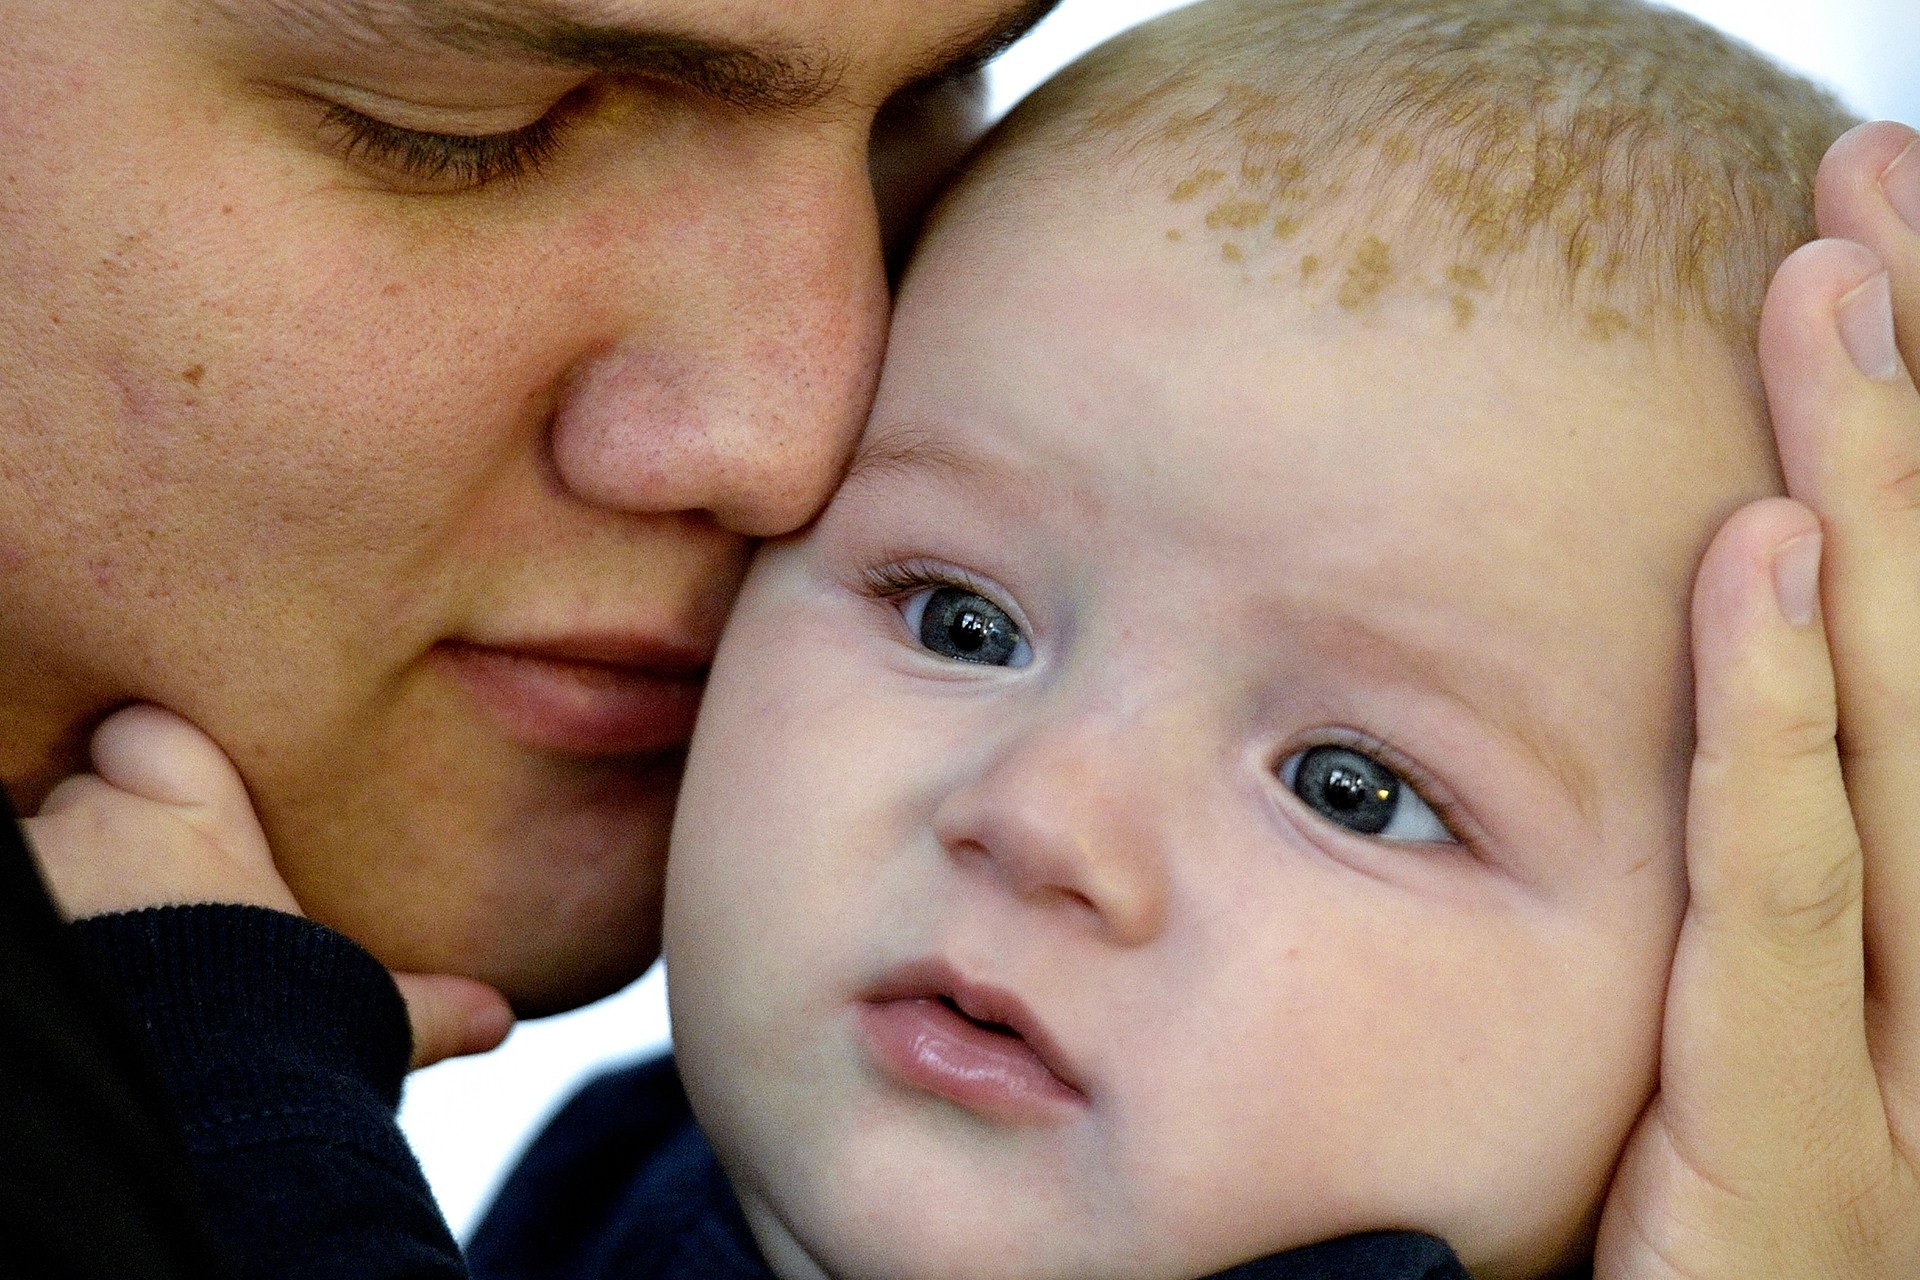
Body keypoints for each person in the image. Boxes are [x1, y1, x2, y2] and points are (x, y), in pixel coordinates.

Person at [10, 0, 1920, 1277]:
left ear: (1787, 976)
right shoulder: (665, 1161)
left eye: (1353, 787)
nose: (1039, 814)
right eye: (961, 617)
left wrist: (212, 1083)